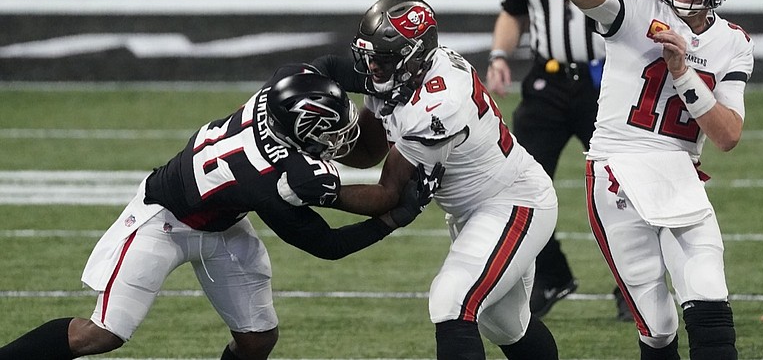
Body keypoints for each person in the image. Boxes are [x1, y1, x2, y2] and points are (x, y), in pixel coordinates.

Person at [0, 65, 442, 360]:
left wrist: (381, 86)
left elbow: (325, 64)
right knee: (102, 334)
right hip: (164, 221)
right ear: (301, 132)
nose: (338, 139)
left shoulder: (278, 92)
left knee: (257, 340)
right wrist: (394, 218)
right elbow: (325, 245)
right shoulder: (275, 179)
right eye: (327, 131)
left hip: (223, 222)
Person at [516, 0, 752, 360]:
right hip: (617, 170)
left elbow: (727, 135)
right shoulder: (641, 4)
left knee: (710, 300)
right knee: (658, 327)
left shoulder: (732, 43)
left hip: (680, 173)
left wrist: (682, 72)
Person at [313, 0, 560, 360]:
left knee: (452, 301)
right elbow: (367, 151)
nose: (371, 69)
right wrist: (316, 138)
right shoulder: (403, 74)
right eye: (369, 57)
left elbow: (388, 195)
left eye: (381, 59)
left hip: (513, 201)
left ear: (413, 56)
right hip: (476, 210)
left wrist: (316, 188)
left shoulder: (439, 104)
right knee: (507, 325)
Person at [486, 0, 659, 321]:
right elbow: (512, 9)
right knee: (516, 182)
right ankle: (552, 274)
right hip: (546, 82)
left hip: (608, 82)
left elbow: (655, 5)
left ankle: (633, 285)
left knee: (625, 188)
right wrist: (500, 56)